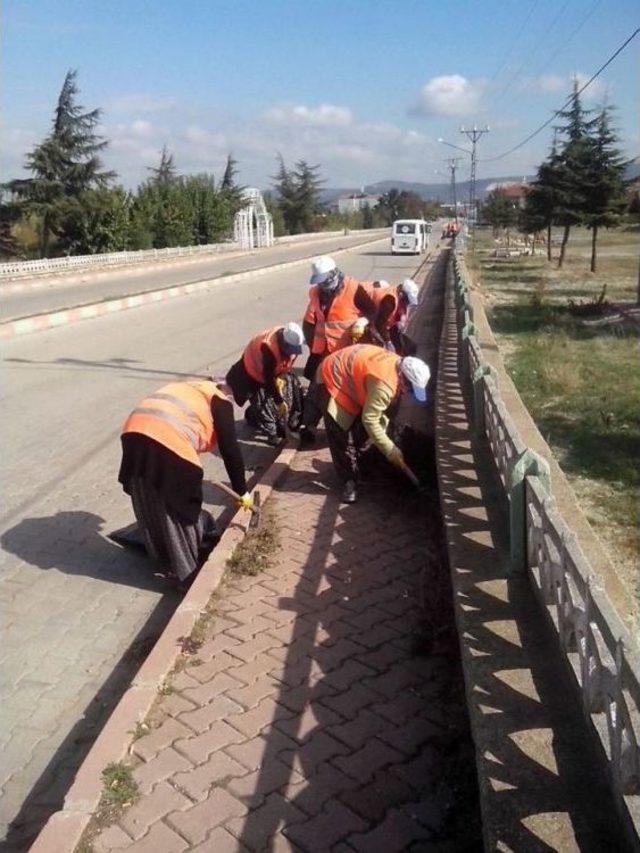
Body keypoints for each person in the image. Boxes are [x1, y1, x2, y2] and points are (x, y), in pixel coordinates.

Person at [118, 379, 251, 588]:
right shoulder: (220, 401)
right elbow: (230, 450)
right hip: (165, 437)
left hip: (133, 431)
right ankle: (186, 573)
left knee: (150, 495)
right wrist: (243, 492)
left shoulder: (192, 388)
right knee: (182, 507)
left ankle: (162, 552)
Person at [319, 343, 430, 503]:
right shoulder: (383, 385)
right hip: (333, 377)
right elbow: (369, 420)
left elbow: (378, 414)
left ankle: (357, 462)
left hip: (352, 375)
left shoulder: (399, 365)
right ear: (404, 378)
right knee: (340, 433)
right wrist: (390, 449)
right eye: (411, 389)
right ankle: (349, 481)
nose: (410, 393)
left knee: (364, 430)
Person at [299, 256, 376, 445]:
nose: (322, 286)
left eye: (325, 281)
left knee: (354, 392)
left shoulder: (354, 289)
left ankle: (358, 431)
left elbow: (373, 312)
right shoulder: (317, 294)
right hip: (325, 353)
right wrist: (313, 347)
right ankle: (308, 426)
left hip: (350, 355)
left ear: (334, 274)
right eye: (319, 282)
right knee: (317, 388)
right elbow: (309, 323)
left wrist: (363, 321)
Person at [226, 323, 305, 445]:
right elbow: (268, 380)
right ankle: (271, 435)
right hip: (253, 374)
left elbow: (287, 364)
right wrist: (279, 401)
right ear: (283, 343)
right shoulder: (269, 349)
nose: (291, 354)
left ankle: (272, 419)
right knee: (263, 404)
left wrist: (281, 377)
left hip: (273, 373)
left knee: (289, 388)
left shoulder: (290, 342)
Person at [370, 278, 420, 354]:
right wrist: (388, 342)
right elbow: (379, 324)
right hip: (371, 325)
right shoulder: (389, 302)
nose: (407, 304)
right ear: (401, 294)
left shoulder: (399, 301)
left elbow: (392, 323)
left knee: (410, 347)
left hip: (384, 326)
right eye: (407, 300)